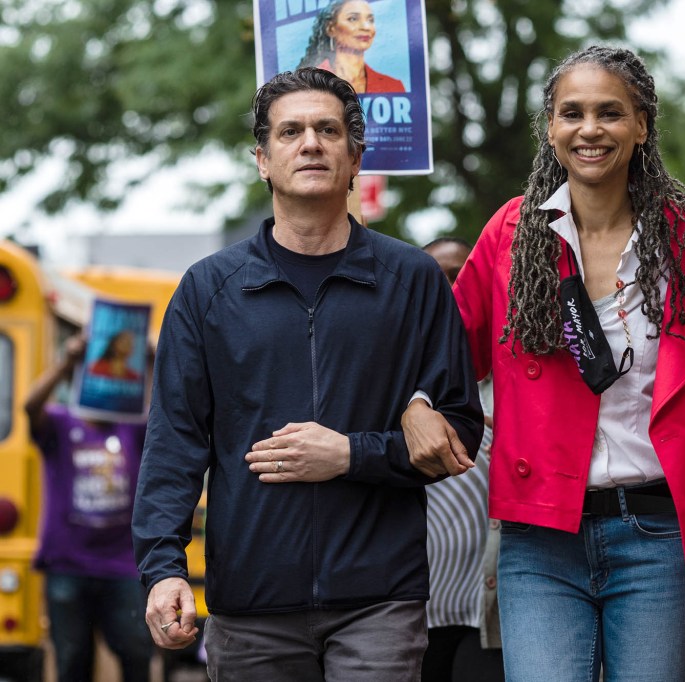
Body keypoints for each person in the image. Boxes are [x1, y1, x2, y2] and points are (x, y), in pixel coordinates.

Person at [403, 46, 685, 681]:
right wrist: (416, 404)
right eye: (571, 113)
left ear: (642, 125)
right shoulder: (510, 236)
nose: (590, 129)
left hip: (659, 535)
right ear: (550, 127)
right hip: (540, 536)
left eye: (610, 112)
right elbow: (442, 352)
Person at [131, 67, 482, 681]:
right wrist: (163, 568)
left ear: (356, 157)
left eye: (328, 130)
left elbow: (459, 434)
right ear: (262, 160)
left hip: (381, 598)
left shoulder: (414, 282)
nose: (311, 143)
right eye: (290, 131)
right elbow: (175, 443)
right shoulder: (208, 290)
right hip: (249, 602)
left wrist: (350, 454)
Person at [25, 333, 152, 682]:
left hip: (123, 566)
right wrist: (67, 360)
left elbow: (164, 413)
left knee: (136, 651)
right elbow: (30, 406)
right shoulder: (61, 425)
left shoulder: (132, 430)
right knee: (72, 660)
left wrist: (151, 361)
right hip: (68, 565)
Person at [421, 237, 504, 682]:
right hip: (416, 606)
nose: (453, 292)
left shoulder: (514, 380)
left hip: (487, 609)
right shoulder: (399, 385)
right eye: (439, 280)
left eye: (463, 278)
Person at [297, 0, 405, 93]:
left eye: (370, 20)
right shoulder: (307, 83)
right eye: (353, 19)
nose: (366, 27)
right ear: (331, 28)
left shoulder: (393, 86)